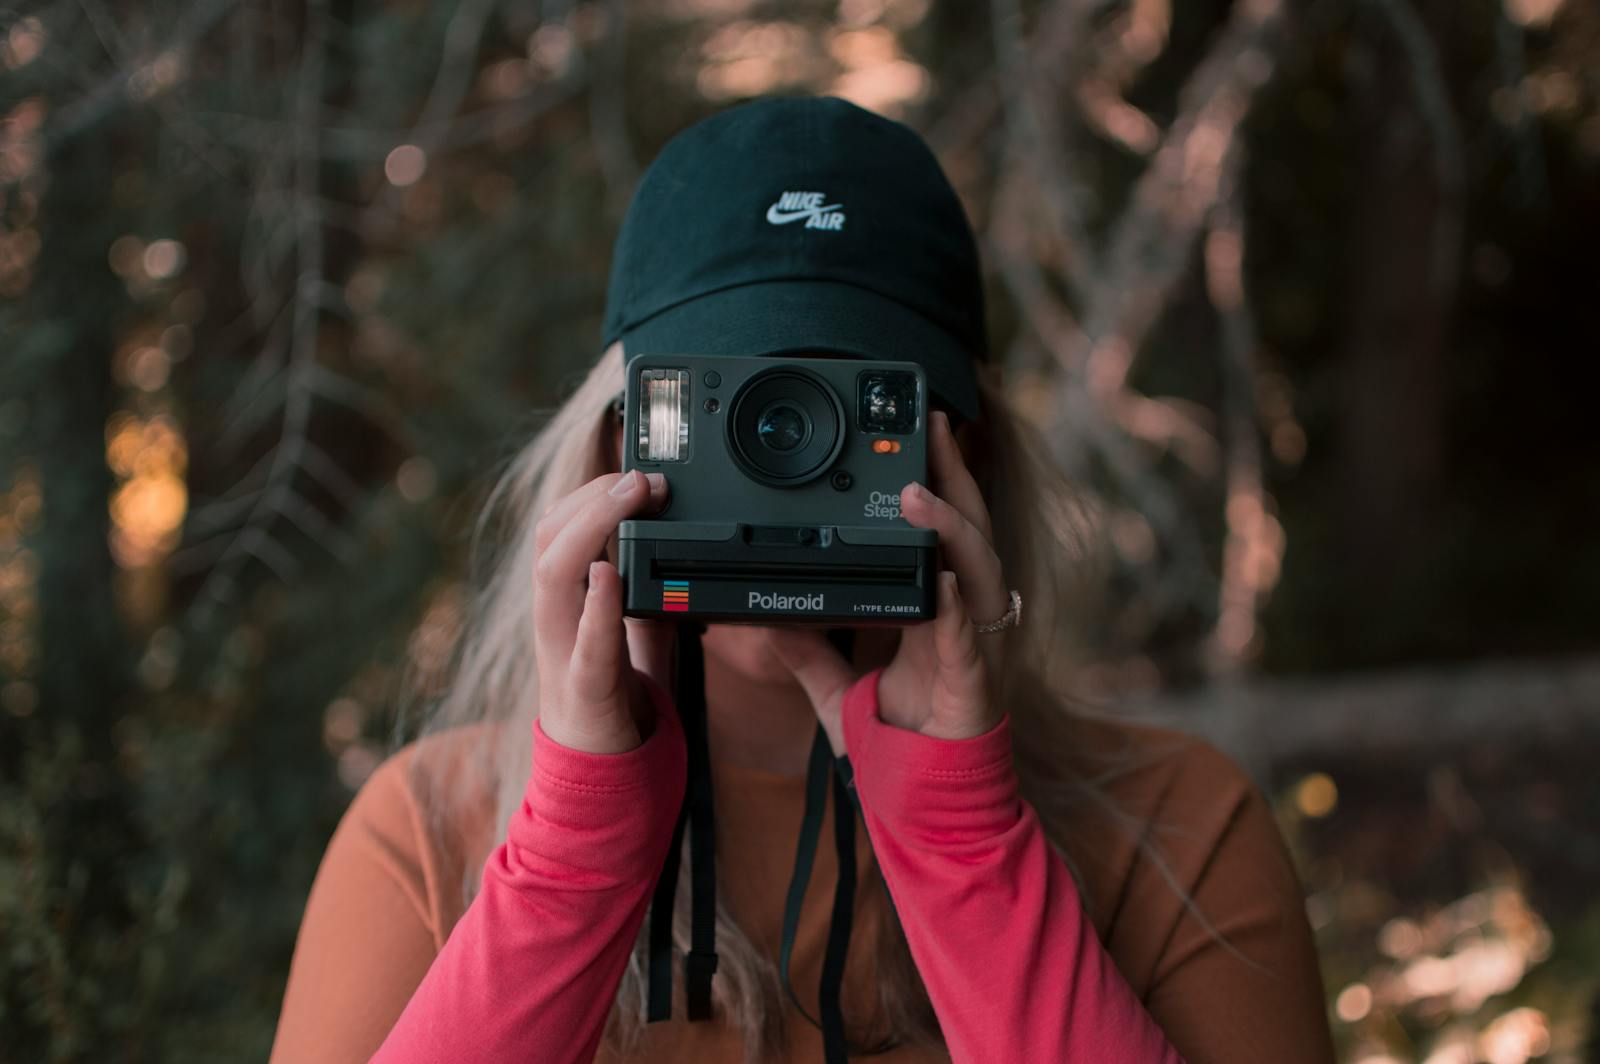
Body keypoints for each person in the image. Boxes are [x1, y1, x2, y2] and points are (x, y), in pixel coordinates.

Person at [269, 97, 1334, 1064]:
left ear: (964, 456)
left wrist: (964, 839)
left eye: (848, 418)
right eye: (725, 419)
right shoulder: (431, 833)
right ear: (611, 447)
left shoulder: (1175, 831)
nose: (778, 473)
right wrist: (573, 849)